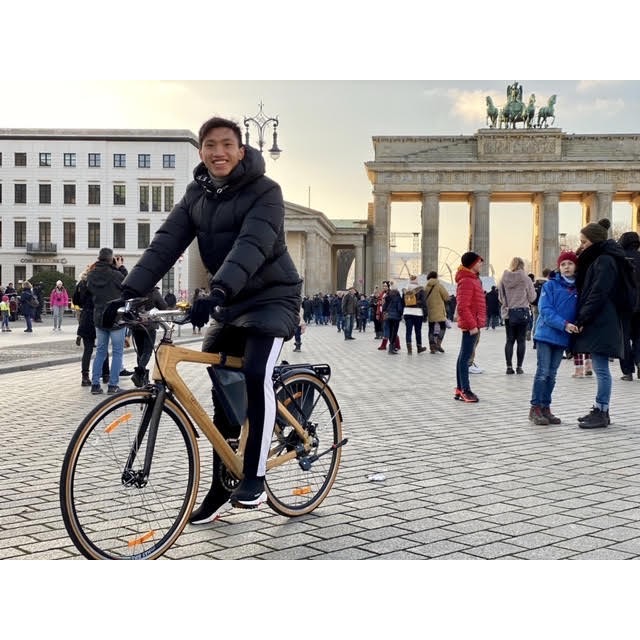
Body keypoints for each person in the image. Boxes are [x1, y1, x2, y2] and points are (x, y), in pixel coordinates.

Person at [120, 115, 302, 521]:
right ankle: (223, 485)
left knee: (255, 372)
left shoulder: (266, 191)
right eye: (210, 145)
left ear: (240, 150)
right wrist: (128, 292)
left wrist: (217, 290)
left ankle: (254, 476)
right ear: (201, 152)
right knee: (222, 385)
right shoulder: (196, 195)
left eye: (226, 144)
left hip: (272, 297)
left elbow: (251, 245)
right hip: (231, 300)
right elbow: (165, 244)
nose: (218, 152)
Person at [573, 218, 628, 428]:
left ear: (594, 241)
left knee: (601, 369)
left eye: (584, 242)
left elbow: (598, 292)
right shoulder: (601, 258)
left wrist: (583, 317)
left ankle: (602, 411)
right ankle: (600, 407)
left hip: (603, 319)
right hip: (602, 318)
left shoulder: (604, 260)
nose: (581, 246)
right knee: (600, 367)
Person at [528, 251, 579, 425]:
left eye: (570, 263)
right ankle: (535, 408)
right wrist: (564, 324)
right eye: (563, 264)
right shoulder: (550, 286)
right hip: (546, 334)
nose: (566, 267)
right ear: (559, 267)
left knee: (552, 374)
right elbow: (545, 310)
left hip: (562, 336)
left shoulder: (579, 288)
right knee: (543, 372)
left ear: (575, 266)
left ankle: (545, 407)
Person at [87, 248, 127, 394]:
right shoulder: (116, 275)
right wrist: (120, 267)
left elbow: (89, 290)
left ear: (99, 258)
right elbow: (127, 285)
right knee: (117, 352)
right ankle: (113, 385)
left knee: (100, 352)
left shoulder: (91, 275)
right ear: (111, 259)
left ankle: (95, 385)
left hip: (99, 317)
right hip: (116, 318)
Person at [454, 252, 486, 403]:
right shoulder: (467, 281)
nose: (481, 264)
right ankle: (465, 390)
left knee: (463, 356)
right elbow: (462, 306)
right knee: (465, 358)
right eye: (479, 262)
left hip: (473, 322)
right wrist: (473, 325)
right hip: (470, 324)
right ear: (472, 264)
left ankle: (460, 389)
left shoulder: (472, 279)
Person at [73, 264, 110, 387]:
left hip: (86, 317)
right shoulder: (99, 283)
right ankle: (105, 374)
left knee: (88, 350)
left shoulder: (81, 284)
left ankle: (85, 377)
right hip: (98, 316)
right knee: (102, 347)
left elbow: (75, 300)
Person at [498, 257, 536, 375]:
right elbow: (532, 297)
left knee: (509, 340)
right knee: (521, 340)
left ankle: (509, 367)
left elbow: (500, 297)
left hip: (508, 313)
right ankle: (519, 367)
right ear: (522, 265)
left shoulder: (503, 278)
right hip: (522, 313)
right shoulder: (526, 279)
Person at [129, 286, 168, 387]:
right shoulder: (153, 291)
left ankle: (142, 380)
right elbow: (163, 306)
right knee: (147, 352)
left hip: (136, 325)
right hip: (149, 326)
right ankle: (138, 374)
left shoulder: (134, 290)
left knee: (140, 352)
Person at [617, 231, 640, 381]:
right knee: (639, 336)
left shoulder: (619, 259)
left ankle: (627, 371)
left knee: (623, 338)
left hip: (623, 304)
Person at [424, 271, 450, 353]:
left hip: (430, 311)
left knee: (431, 329)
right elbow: (446, 297)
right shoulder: (439, 286)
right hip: (439, 311)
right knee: (443, 327)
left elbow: (423, 298)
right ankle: (438, 344)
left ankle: (432, 347)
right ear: (436, 277)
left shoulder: (426, 287)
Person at [402, 274, 426, 354]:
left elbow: (403, 302)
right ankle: (419, 348)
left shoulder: (405, 289)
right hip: (418, 313)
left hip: (407, 313)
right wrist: (425, 314)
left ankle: (409, 350)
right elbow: (424, 302)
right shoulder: (420, 289)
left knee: (408, 331)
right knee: (418, 331)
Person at [381, 284, 403, 354]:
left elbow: (384, 306)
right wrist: (401, 314)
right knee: (394, 332)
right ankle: (392, 348)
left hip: (388, 316)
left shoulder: (388, 296)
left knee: (390, 332)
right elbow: (399, 308)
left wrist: (385, 312)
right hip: (396, 317)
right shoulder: (398, 297)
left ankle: (392, 347)